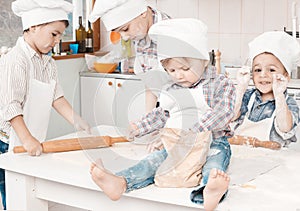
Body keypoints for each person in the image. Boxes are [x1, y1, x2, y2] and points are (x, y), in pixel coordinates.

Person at [90, 18, 236, 211]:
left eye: (185, 68)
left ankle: (208, 191)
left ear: (203, 61)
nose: (178, 75)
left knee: (215, 165)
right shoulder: (171, 88)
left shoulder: (220, 84)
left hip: (213, 143)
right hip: (176, 145)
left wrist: (196, 130)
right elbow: (163, 114)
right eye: (171, 70)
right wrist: (139, 127)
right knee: (152, 162)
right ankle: (121, 181)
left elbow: (224, 112)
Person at [0, 0, 90, 209]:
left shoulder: (48, 62)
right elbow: (11, 107)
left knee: (30, 190)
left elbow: (56, 97)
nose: (57, 41)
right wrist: (27, 138)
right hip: (7, 140)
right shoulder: (16, 60)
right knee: (11, 191)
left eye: (60, 36)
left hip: (30, 139)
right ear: (33, 27)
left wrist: (77, 121)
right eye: (54, 34)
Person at [89, 0, 171, 113]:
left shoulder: (170, 32)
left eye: (125, 29)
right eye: (119, 32)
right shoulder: (140, 34)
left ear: (142, 12)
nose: (125, 38)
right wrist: (147, 118)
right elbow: (151, 84)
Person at [231, 31, 300, 147]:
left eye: (271, 70)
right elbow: (231, 116)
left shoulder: (288, 103)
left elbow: (285, 128)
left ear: (286, 76)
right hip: (241, 155)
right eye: (258, 70)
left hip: (273, 161)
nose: (263, 75)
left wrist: (279, 96)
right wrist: (240, 89)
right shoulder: (247, 97)